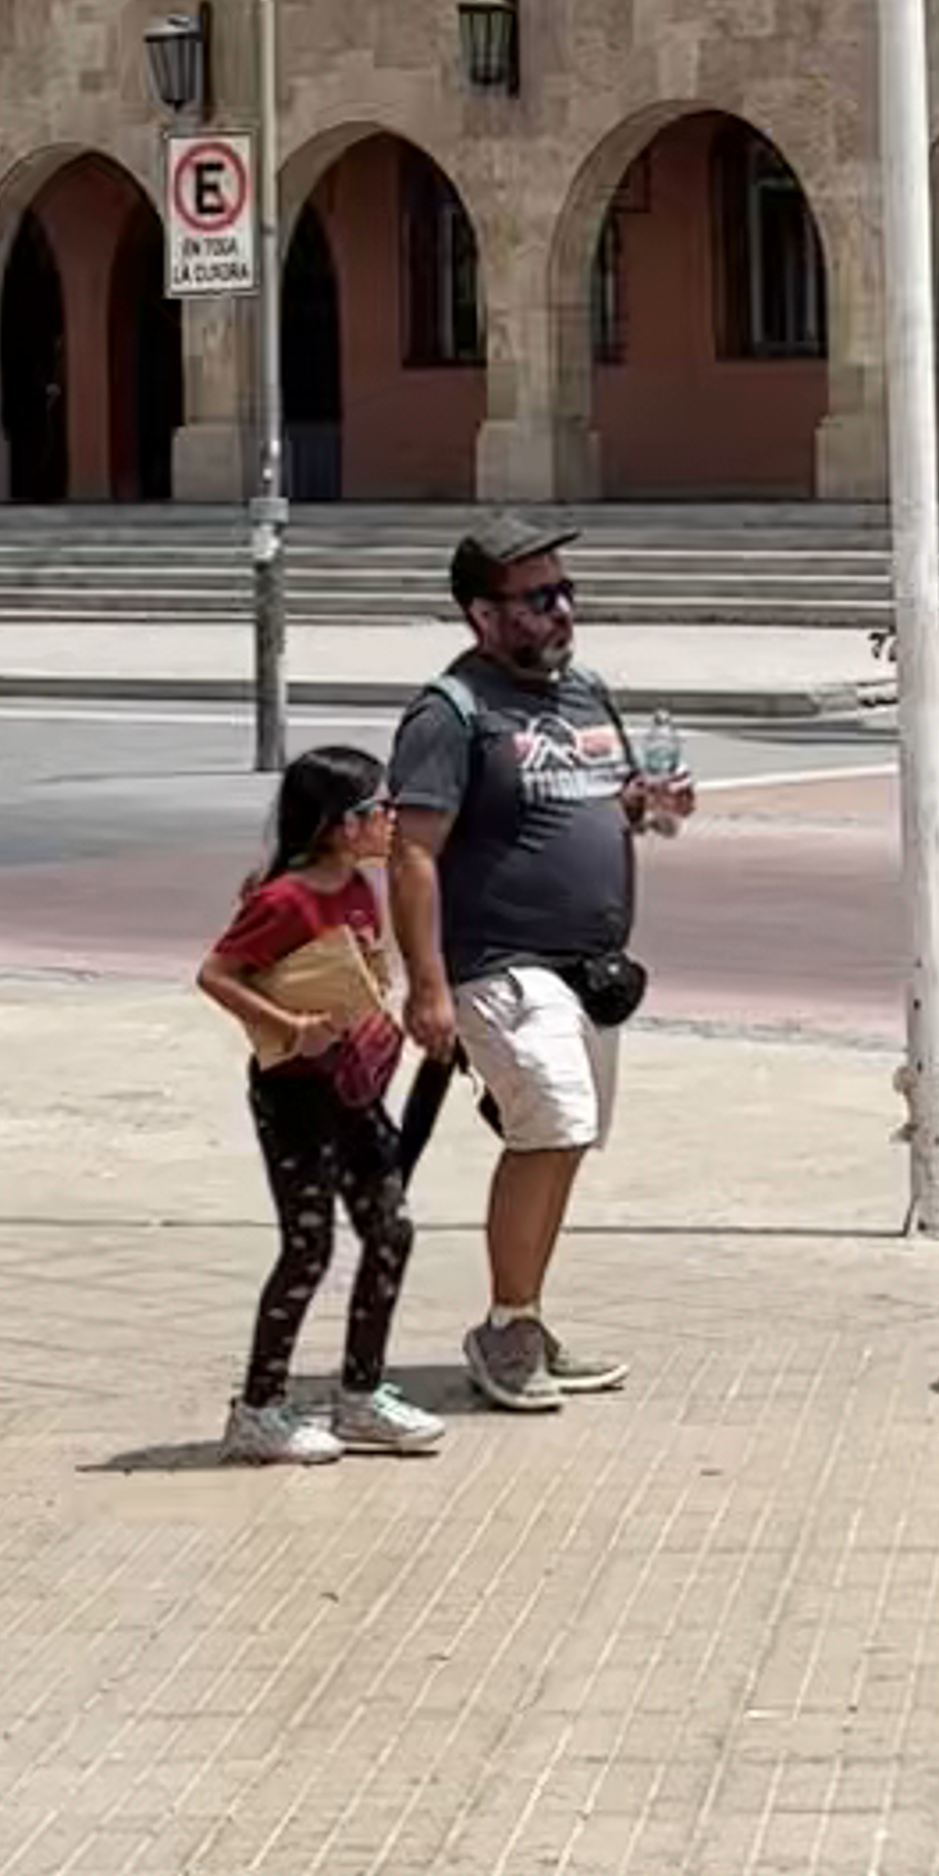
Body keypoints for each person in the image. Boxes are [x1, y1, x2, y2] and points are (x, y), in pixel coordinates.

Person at [387, 528, 686, 1412]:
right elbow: (411, 855)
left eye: (565, 589)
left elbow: (616, 800)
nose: (562, 608)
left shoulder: (585, 692)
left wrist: (651, 806)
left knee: (567, 1134)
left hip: (589, 967)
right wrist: (428, 986)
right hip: (495, 961)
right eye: (537, 597)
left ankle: (524, 1320)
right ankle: (506, 1329)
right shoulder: (450, 711)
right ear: (482, 613)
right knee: (553, 1119)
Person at [198, 745, 443, 1464]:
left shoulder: (361, 887)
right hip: (294, 1095)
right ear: (340, 824)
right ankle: (259, 1408)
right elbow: (216, 974)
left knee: (390, 1232)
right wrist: (291, 1028)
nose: (390, 820)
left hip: (353, 1089)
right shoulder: (285, 899)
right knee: (309, 1246)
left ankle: (361, 1396)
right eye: (377, 810)